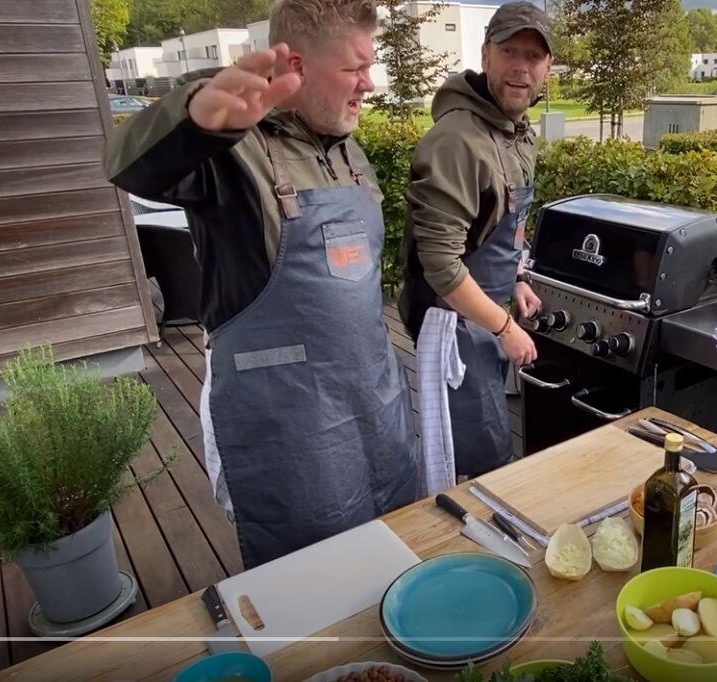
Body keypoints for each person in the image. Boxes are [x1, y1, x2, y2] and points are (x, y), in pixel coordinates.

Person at [104, 0, 420, 570]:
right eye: (354, 69)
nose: (368, 84)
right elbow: (132, 168)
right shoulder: (231, 151)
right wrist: (194, 119)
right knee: (314, 583)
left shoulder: (348, 149)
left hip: (376, 405)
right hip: (293, 435)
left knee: (391, 556)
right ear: (296, 64)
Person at [396, 1, 554, 479]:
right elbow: (442, 268)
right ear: (486, 55)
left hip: (484, 310)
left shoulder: (517, 133)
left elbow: (512, 216)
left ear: (547, 69)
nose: (520, 67)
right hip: (449, 321)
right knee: (469, 456)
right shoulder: (457, 141)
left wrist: (518, 277)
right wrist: (506, 329)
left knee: (487, 437)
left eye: (533, 56)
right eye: (509, 51)